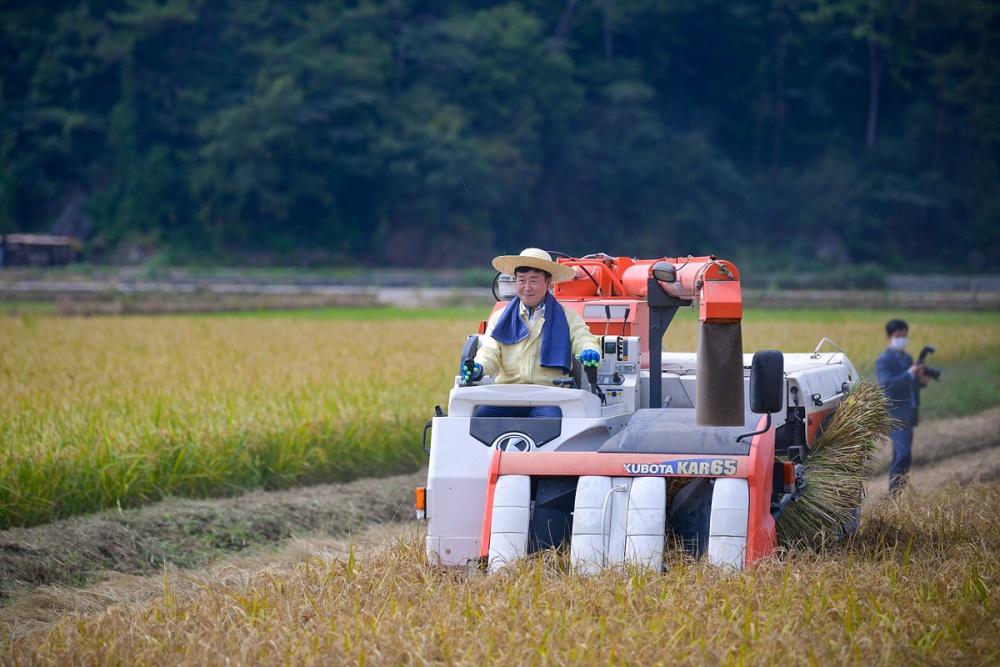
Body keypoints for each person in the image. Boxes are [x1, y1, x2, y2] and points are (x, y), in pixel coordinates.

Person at [462, 248, 602, 418]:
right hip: (506, 396)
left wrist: (590, 352)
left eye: (534, 281)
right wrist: (479, 368)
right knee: (480, 420)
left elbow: (584, 338)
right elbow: (489, 351)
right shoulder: (500, 318)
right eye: (521, 280)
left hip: (550, 396)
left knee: (550, 424)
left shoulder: (568, 317)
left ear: (548, 282)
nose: (527, 288)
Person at [875, 319, 930, 495]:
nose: (901, 339)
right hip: (894, 414)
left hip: (909, 412)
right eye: (898, 336)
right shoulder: (884, 360)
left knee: (905, 455)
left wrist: (920, 381)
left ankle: (899, 491)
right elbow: (887, 384)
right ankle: (894, 493)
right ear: (888, 337)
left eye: (904, 336)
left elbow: (909, 385)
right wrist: (909, 374)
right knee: (902, 453)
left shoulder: (907, 358)